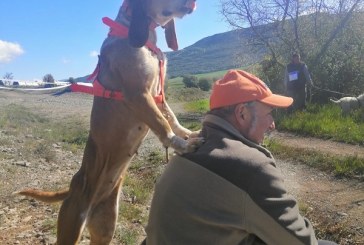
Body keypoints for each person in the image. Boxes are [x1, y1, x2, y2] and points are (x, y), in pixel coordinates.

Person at [145, 70, 337, 245]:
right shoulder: (250, 166)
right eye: (269, 114)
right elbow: (300, 242)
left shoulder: (187, 152)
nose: (273, 125)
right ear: (242, 113)